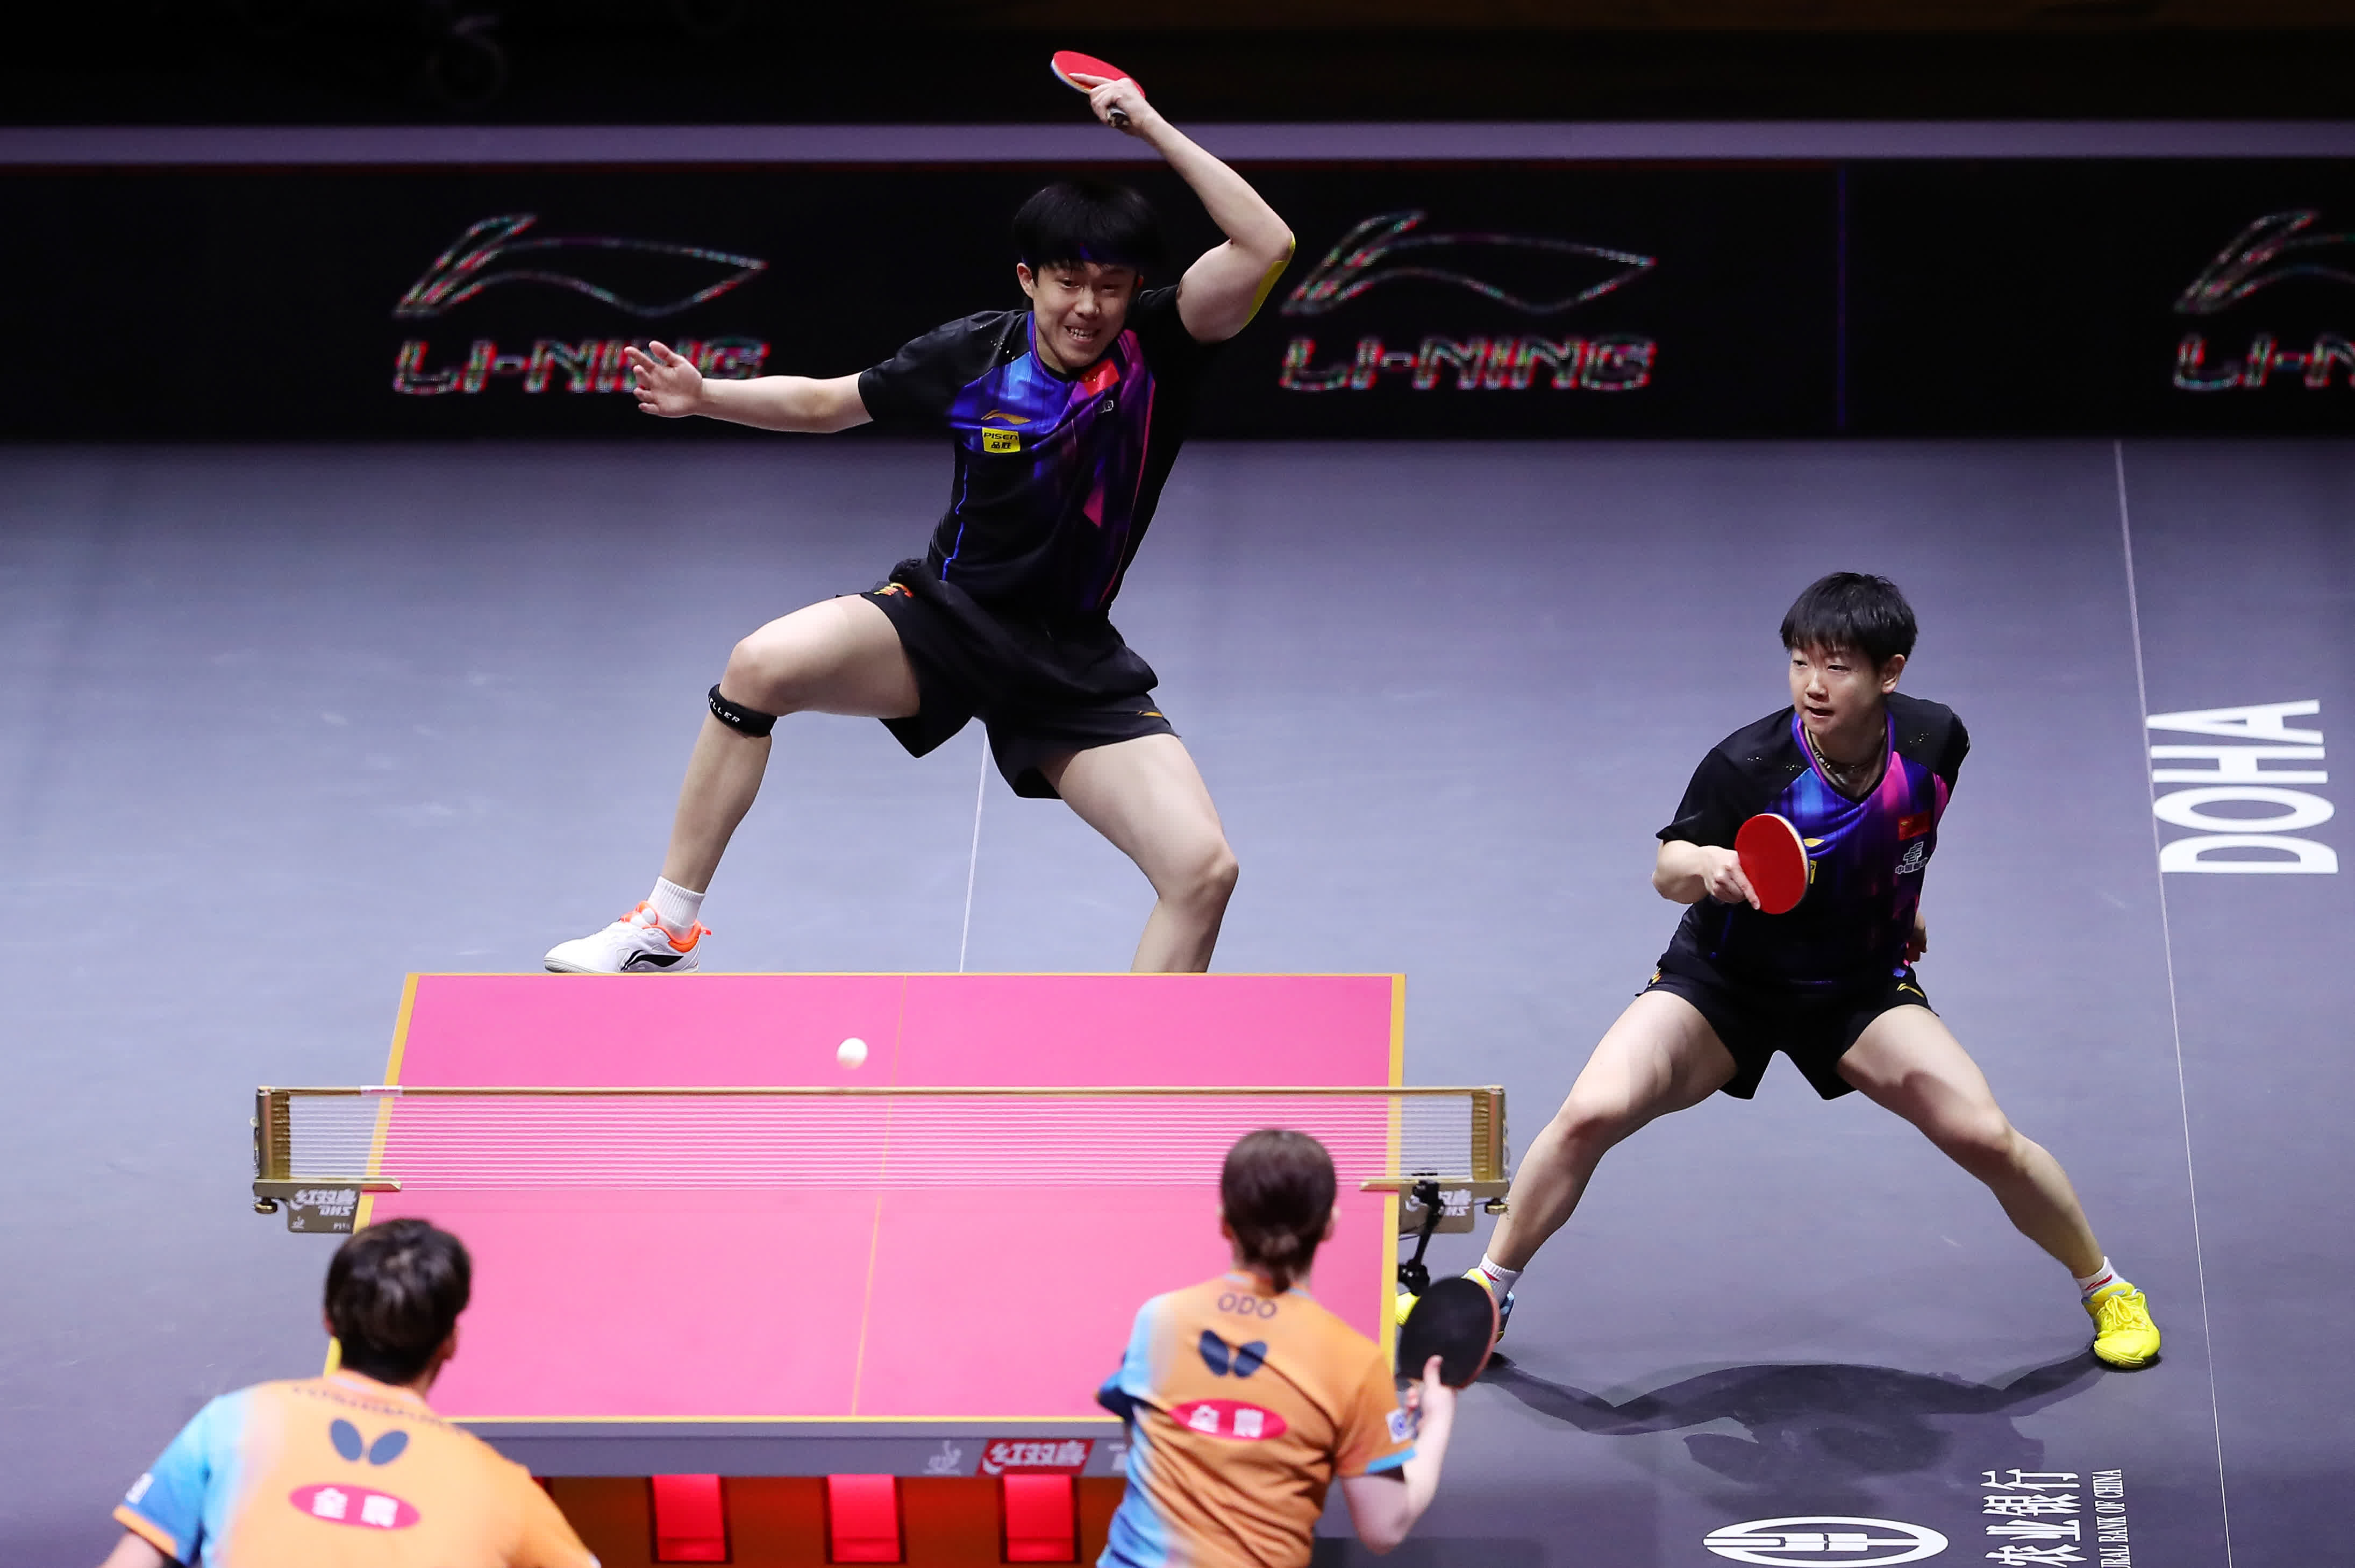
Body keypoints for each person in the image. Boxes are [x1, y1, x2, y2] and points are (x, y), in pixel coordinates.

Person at [544, 70, 1294, 977]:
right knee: (759, 666)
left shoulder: (1159, 346)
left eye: (1111, 285)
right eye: (1068, 282)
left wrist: (1150, 126)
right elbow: (827, 404)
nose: (1089, 307)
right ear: (1028, 279)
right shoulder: (973, 354)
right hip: (944, 620)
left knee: (1204, 872)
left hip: (1069, 662)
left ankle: (1135, 1064)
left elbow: (1268, 243)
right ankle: (667, 924)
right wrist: (707, 397)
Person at [1416, 573, 2161, 1371]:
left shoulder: (1936, 739)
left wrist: (1902, 905)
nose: (1813, 684)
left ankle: (2108, 1289)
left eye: (1838, 666)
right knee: (1591, 1111)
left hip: (1856, 989)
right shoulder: (1749, 763)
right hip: (1722, 985)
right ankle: (1489, 1289)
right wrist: (1708, 863)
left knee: (1985, 1135)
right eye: (1801, 662)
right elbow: (1666, 871)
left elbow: (1907, 829)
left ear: (1890, 672)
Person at [99, 1220, 598, 1568]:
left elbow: (136, 1559)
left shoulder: (235, 1421)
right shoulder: (503, 1489)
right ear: (450, 1342)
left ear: (329, 1320)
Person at [1096, 1129, 1458, 1567]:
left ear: (1224, 1222)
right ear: (1330, 1226)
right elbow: (1385, 1528)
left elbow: (1140, 1440)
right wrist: (1436, 1420)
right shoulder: (1352, 1361)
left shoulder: (1159, 1321)